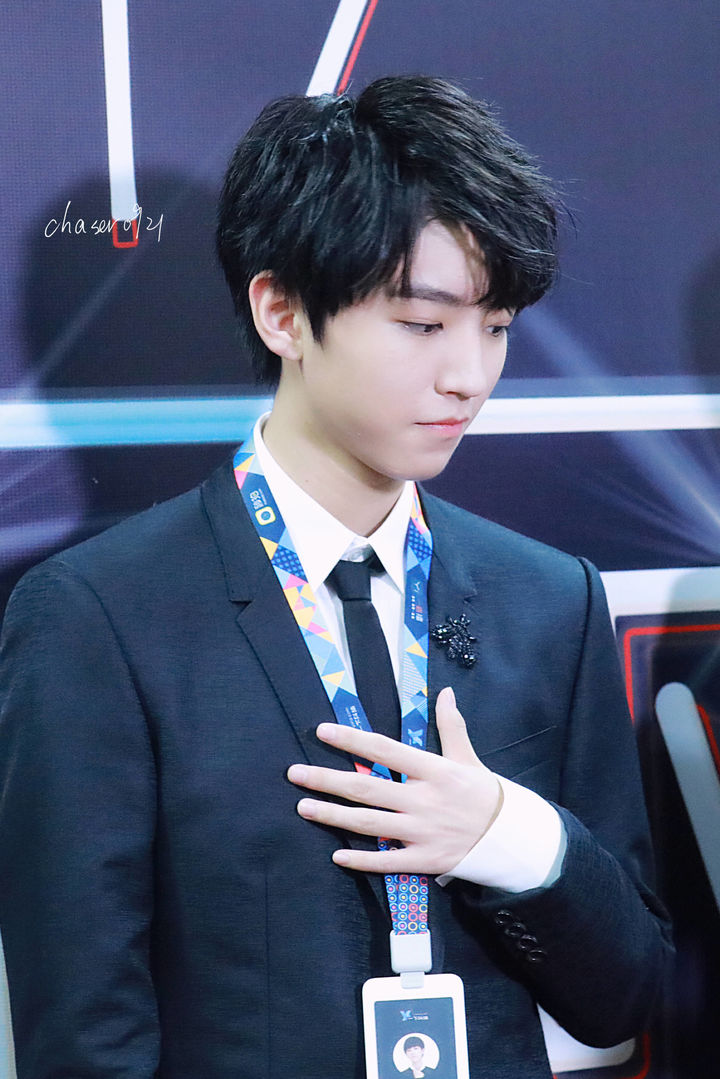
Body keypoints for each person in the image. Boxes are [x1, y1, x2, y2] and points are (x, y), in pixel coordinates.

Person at [0, 76, 672, 1078]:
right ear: (281, 311)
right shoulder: (99, 619)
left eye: (495, 326)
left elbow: (629, 989)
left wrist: (509, 837)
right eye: (423, 324)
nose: (469, 375)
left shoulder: (550, 599)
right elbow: (84, 1037)